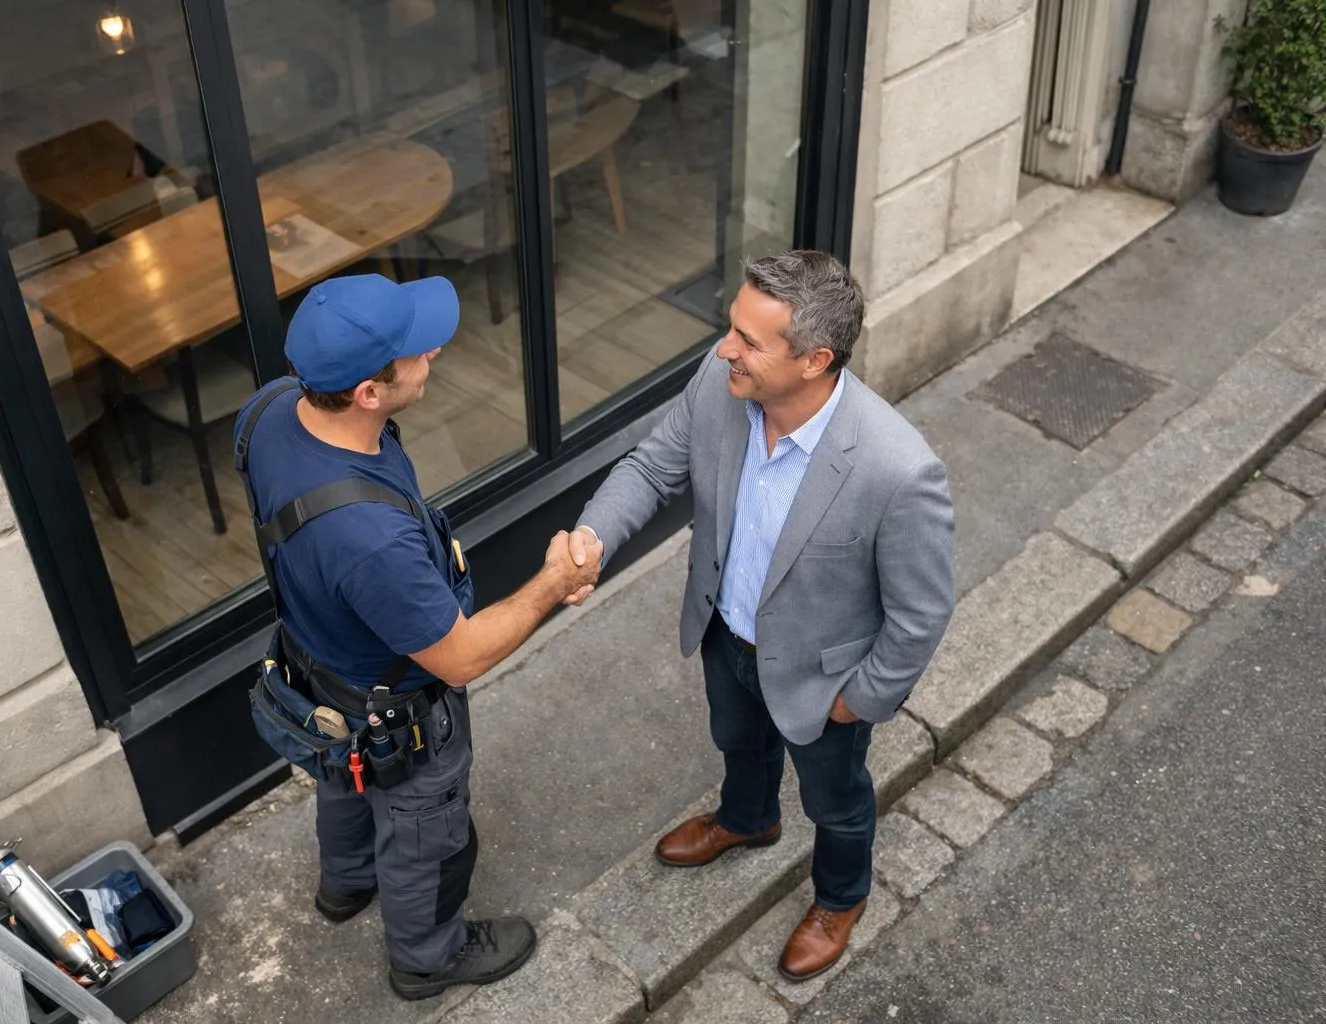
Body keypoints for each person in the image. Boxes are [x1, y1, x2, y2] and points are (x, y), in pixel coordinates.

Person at [568, 250, 955, 981]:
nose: (725, 349)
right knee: (738, 743)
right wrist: (592, 538)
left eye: (748, 340)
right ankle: (748, 820)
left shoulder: (899, 470)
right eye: (731, 328)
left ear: (814, 360)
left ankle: (840, 897)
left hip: (825, 679)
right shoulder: (721, 383)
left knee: (836, 802)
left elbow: (921, 613)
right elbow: (651, 467)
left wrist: (858, 700)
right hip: (726, 633)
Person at [233, 273, 598, 1000]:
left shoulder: (269, 408)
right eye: (415, 349)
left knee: (343, 780)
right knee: (427, 835)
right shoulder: (370, 540)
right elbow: (460, 656)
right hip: (398, 710)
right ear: (368, 391)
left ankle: (346, 885)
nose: (433, 350)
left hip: (319, 672)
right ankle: (428, 958)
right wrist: (553, 583)